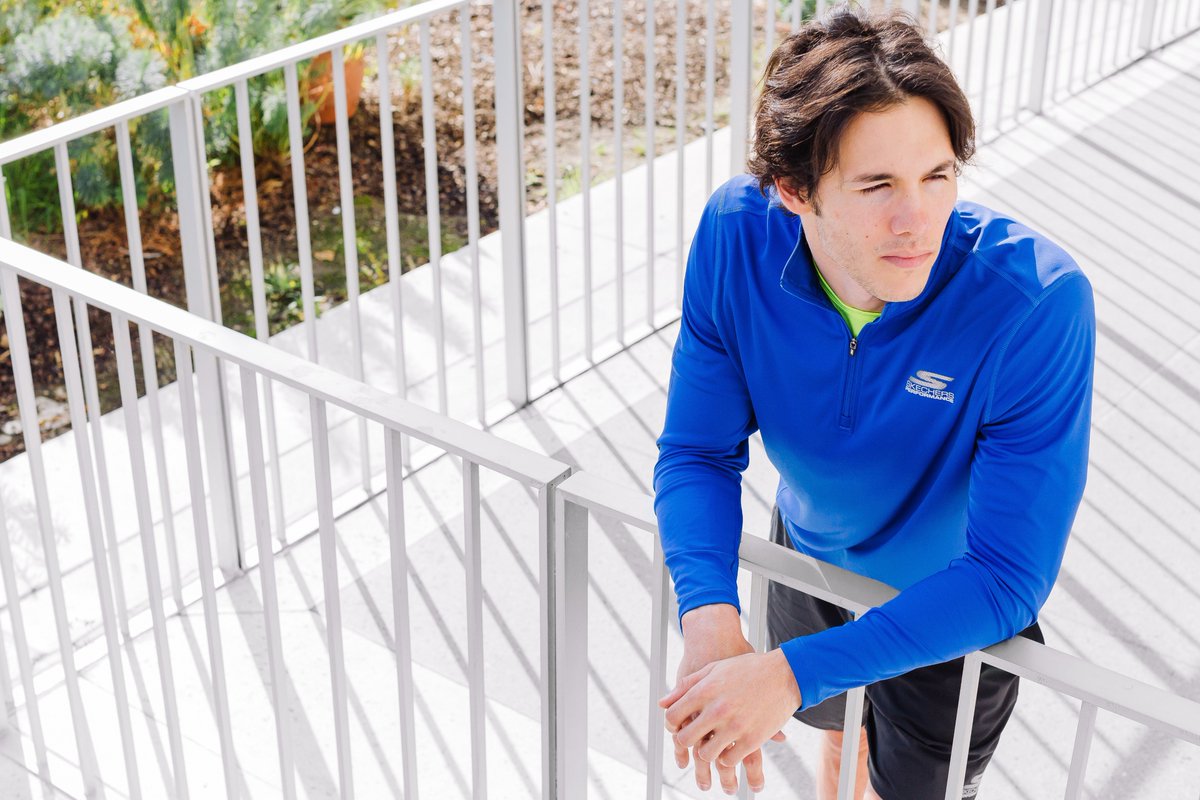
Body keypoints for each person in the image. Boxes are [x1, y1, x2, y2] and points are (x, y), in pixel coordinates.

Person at [651, 6, 1095, 799]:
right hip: (809, 554)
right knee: (835, 727)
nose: (917, 221)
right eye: (877, 184)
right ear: (794, 189)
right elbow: (696, 451)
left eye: (937, 176)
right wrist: (708, 614)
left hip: (955, 610)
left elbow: (1005, 575)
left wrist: (787, 673)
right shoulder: (736, 233)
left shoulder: (1037, 302)